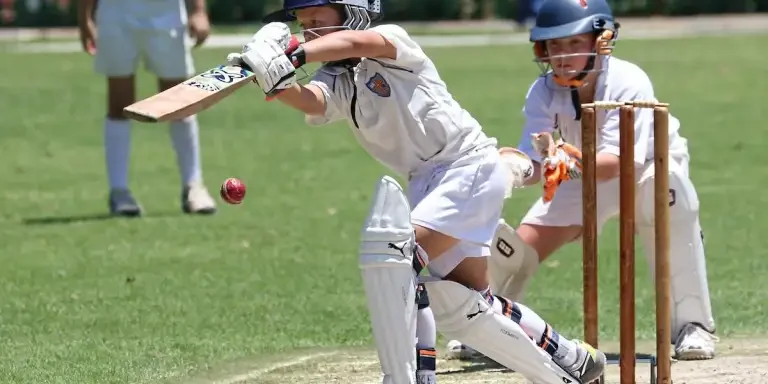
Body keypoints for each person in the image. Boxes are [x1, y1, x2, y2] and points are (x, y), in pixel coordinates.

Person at [225, 1, 607, 383]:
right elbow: (312, 101)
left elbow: (356, 41)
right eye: (304, 26)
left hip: (465, 165)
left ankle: (412, 375)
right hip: (428, 181)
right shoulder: (337, 80)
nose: (311, 33)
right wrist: (272, 79)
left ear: (351, 13)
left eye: (318, 23)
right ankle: (569, 358)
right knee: (465, 307)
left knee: (395, 261)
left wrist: (294, 51)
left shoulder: (392, 41)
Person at [447, 0, 718, 362]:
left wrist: (558, 164)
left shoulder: (627, 80)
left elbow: (619, 163)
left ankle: (693, 327)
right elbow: (537, 159)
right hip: (580, 171)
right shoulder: (542, 91)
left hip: (647, 166)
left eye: (575, 43)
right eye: (555, 46)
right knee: (514, 250)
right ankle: (488, 330)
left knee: (669, 200)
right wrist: (509, 170)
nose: (563, 55)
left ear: (601, 40)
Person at [77, 0, 217, 217]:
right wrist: (85, 16)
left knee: (179, 103)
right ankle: (119, 191)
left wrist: (198, 11)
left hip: (167, 12)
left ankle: (194, 186)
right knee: (120, 104)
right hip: (116, 12)